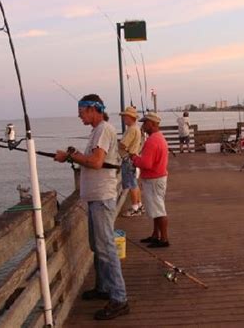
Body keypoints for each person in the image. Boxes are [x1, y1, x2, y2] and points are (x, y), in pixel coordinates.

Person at [54, 94, 129, 320]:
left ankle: (119, 299)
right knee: (97, 246)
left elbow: (95, 162)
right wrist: (74, 156)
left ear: (93, 109)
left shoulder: (104, 129)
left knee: (106, 248)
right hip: (95, 197)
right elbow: (95, 159)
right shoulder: (97, 131)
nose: (79, 115)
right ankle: (104, 288)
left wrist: (70, 155)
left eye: (81, 111)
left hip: (102, 197)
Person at [131, 112, 170, 248]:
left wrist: (134, 159)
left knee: (159, 210)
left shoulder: (152, 141)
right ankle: (155, 235)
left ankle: (164, 239)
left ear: (153, 124)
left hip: (154, 180)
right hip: (158, 177)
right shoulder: (159, 138)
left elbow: (146, 164)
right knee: (156, 208)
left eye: (145, 122)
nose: (143, 125)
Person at [118, 106, 144, 217]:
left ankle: (134, 208)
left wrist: (116, 143)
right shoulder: (136, 128)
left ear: (130, 117)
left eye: (125, 117)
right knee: (135, 184)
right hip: (133, 159)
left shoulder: (131, 129)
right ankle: (139, 205)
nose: (123, 119)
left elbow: (123, 144)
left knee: (131, 185)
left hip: (128, 160)